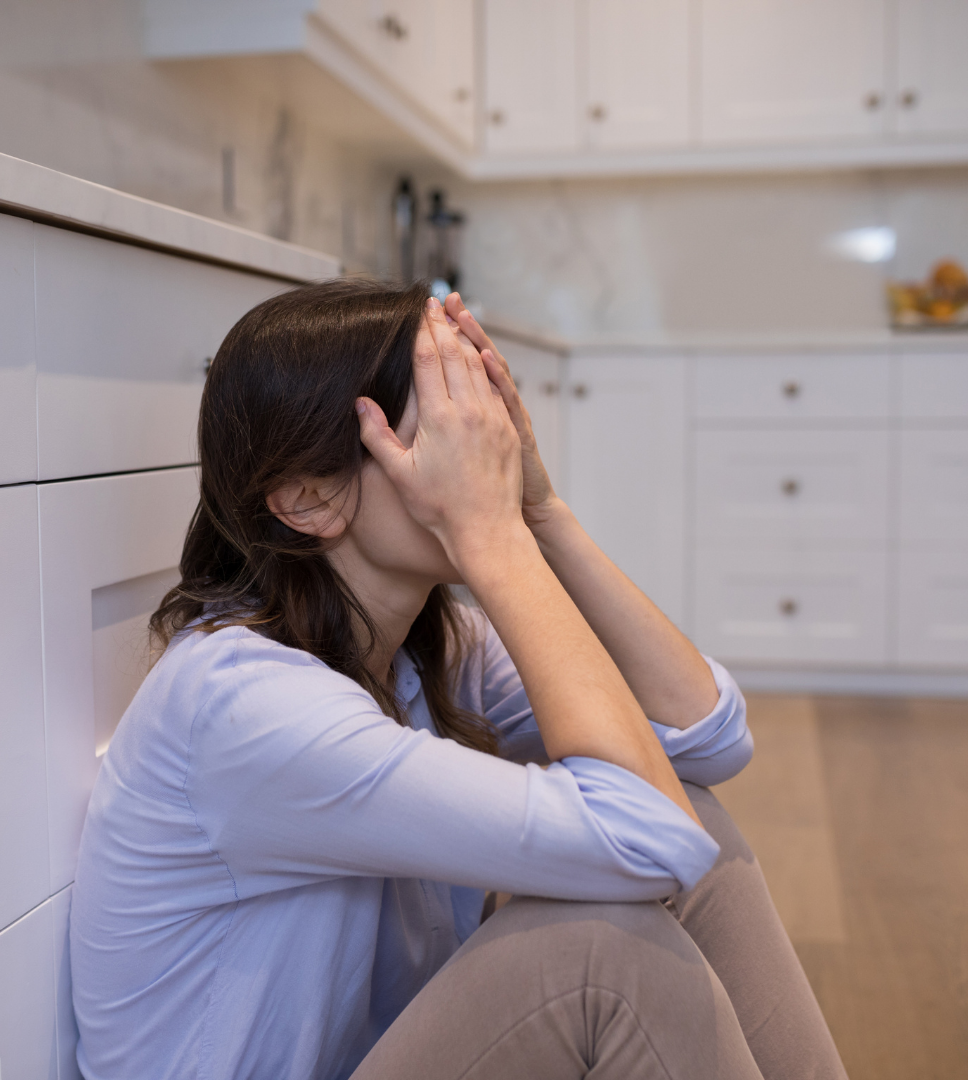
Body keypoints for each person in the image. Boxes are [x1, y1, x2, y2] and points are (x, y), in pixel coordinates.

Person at [69, 280, 847, 1080]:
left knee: (699, 826)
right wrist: (493, 535)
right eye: (443, 427)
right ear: (307, 498)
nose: (484, 451)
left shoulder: (424, 647)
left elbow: (709, 736)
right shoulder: (245, 704)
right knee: (597, 956)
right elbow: (647, 839)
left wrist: (541, 512)